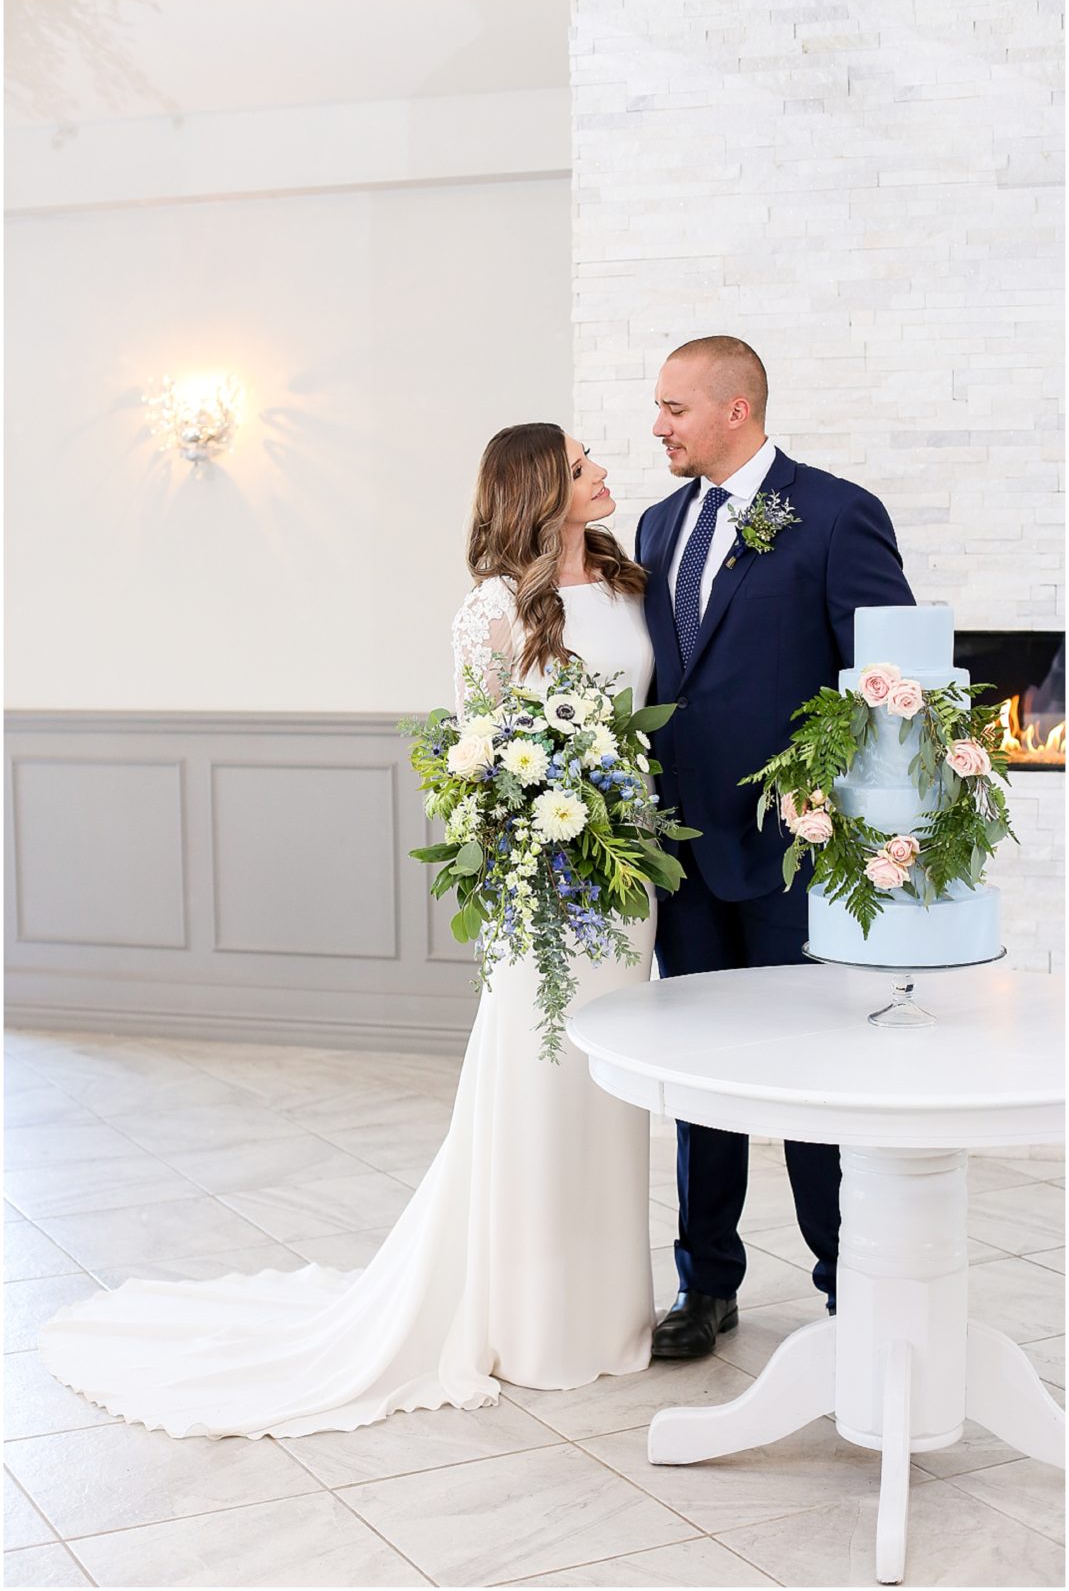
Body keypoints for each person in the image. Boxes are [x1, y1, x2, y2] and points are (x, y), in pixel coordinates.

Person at [37, 423, 659, 1438]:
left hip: (627, 880)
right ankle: (531, 1319)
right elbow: (477, 757)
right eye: (584, 465)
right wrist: (531, 832)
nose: (604, 473)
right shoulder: (492, 612)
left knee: (609, 1086)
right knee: (539, 1076)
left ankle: (605, 1312)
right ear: (542, 489)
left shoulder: (634, 588)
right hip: (543, 881)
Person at [635, 335, 915, 1360]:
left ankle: (850, 1282)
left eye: (672, 408)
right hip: (684, 859)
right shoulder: (660, 523)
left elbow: (888, 686)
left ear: (735, 409)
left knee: (810, 1079)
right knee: (700, 1078)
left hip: (796, 862)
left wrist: (852, 819)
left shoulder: (835, 513)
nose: (657, 426)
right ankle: (705, 1284)